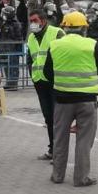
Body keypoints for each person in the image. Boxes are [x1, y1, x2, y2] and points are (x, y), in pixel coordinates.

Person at [44, 11, 98, 187]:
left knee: (60, 139)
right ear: (84, 28)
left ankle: (57, 175)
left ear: (64, 27)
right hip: (87, 100)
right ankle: (81, 178)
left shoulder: (55, 45)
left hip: (62, 100)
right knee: (84, 140)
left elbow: (47, 73)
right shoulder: (91, 44)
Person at [26, 9, 65, 160]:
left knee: (57, 117)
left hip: (55, 81)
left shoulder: (57, 33)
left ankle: (59, 151)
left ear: (43, 20)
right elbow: (30, 58)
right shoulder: (31, 38)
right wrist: (32, 74)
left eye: (35, 20)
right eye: (31, 21)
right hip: (40, 82)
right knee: (48, 117)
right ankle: (52, 149)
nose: (32, 24)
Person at [0, 6, 23, 90]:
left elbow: (19, 38)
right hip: (4, 49)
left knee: (13, 66)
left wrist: (18, 49)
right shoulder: (4, 23)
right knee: (6, 66)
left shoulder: (16, 24)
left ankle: (13, 84)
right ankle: (9, 82)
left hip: (12, 49)